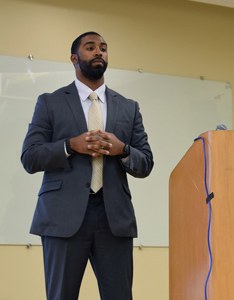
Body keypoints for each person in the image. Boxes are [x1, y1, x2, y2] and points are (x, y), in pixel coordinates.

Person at [21, 31, 154, 300]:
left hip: (114, 217)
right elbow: (30, 157)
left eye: (103, 48)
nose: (99, 52)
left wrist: (123, 150)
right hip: (62, 217)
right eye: (90, 47)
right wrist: (71, 145)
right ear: (74, 57)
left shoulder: (128, 108)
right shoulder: (50, 102)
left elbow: (146, 162)